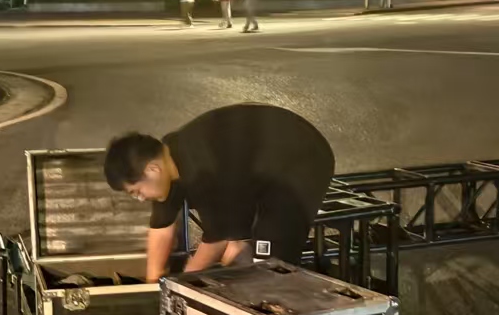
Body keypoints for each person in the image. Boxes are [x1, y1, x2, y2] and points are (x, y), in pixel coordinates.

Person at [103, 104, 336, 281]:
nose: (141, 198)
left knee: (269, 264)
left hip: (300, 158)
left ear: (152, 169)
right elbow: (161, 229)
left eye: (136, 191)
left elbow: (216, 241)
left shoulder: (203, 169)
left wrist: (179, 287)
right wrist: (152, 284)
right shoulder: (168, 159)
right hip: (257, 168)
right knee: (238, 250)